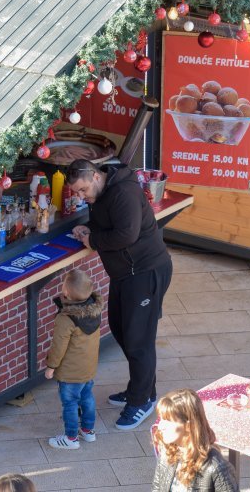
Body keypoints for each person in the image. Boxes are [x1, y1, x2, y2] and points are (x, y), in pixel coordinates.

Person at [66, 159, 172, 431]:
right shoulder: (101, 193)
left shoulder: (123, 192)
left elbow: (126, 234)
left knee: (139, 339)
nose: (81, 196)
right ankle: (143, 388)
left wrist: (94, 241)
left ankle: (142, 401)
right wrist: (89, 229)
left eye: (82, 189)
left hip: (146, 272)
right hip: (126, 274)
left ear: (95, 176)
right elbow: (108, 223)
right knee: (121, 330)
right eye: (76, 192)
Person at [45, 268, 103, 449]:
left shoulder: (66, 319)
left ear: (66, 292)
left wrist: (51, 366)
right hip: (88, 368)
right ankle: (87, 431)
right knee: (87, 398)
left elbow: (58, 346)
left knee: (70, 404)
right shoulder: (94, 310)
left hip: (70, 372)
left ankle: (70, 438)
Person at [152, 388, 239, 492]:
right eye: (161, 419)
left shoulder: (217, 467)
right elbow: (156, 488)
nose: (160, 426)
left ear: (189, 426)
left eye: (168, 421)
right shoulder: (167, 453)